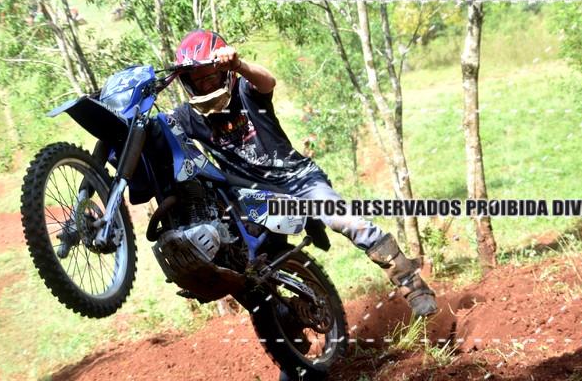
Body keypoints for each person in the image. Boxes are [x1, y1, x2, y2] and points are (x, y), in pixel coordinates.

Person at [171, 29, 438, 319]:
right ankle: (283, 319)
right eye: (197, 81)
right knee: (238, 254)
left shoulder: (246, 92)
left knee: (346, 221)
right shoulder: (189, 117)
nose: (205, 85)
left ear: (224, 72)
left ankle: (413, 285)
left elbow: (267, 81)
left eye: (210, 77)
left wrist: (239, 64)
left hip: (299, 180)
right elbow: (157, 131)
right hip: (254, 200)